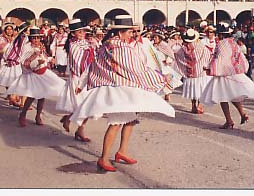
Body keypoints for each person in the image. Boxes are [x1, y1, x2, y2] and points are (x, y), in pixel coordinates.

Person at [70, 15, 175, 172]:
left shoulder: (107, 45)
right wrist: (161, 78)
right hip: (118, 90)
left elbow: (93, 65)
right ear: (120, 33)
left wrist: (83, 82)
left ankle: (122, 151)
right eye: (129, 32)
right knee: (117, 123)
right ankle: (104, 158)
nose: (131, 35)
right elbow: (137, 69)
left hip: (120, 88)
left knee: (130, 119)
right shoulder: (121, 48)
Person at [201, 22, 254, 129]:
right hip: (234, 73)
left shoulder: (221, 44)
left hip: (224, 73)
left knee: (222, 97)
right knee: (233, 95)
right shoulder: (234, 43)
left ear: (220, 34)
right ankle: (242, 113)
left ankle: (229, 120)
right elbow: (240, 57)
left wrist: (211, 68)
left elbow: (220, 59)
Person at [7, 26, 65, 127]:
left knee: (42, 96)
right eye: (34, 38)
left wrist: (49, 59)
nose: (36, 40)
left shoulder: (40, 46)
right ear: (30, 38)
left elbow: (44, 57)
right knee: (32, 96)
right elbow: (25, 63)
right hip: (33, 74)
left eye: (38, 37)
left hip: (43, 72)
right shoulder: (27, 47)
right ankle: (23, 114)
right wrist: (37, 62)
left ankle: (38, 116)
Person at [56, 19, 95, 141]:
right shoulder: (74, 46)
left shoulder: (87, 43)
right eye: (79, 32)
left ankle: (72, 123)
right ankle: (78, 128)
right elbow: (80, 64)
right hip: (79, 79)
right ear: (73, 34)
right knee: (83, 106)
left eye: (82, 31)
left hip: (87, 77)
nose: (82, 33)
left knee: (89, 106)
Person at [174, 28, 211, 114]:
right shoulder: (201, 46)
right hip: (200, 71)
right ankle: (199, 105)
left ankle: (193, 105)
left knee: (193, 89)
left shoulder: (183, 49)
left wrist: (186, 66)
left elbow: (178, 57)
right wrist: (204, 65)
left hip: (190, 73)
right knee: (200, 89)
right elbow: (207, 55)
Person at [0, 22, 21, 107]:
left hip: (15, 60)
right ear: (5, 30)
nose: (9, 31)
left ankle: (12, 95)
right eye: (7, 29)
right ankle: (11, 95)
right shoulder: (2, 39)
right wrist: (1, 52)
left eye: (11, 29)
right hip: (5, 60)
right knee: (7, 78)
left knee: (15, 78)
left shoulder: (16, 38)